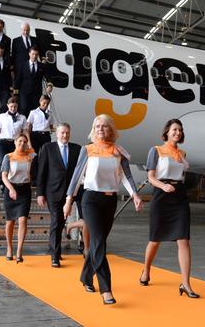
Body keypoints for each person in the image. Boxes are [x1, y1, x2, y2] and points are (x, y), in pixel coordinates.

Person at [64, 114, 144, 305]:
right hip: (90, 199)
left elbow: (126, 175)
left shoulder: (118, 151)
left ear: (111, 130)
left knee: (98, 244)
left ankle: (85, 276)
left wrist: (135, 194)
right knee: (99, 242)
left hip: (110, 200)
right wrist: (69, 200)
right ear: (94, 129)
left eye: (105, 126)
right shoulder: (88, 150)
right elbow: (77, 176)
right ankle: (106, 289)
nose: (101, 129)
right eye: (97, 126)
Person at [139, 119, 199, 298]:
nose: (177, 132)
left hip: (179, 196)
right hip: (162, 194)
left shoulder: (182, 153)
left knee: (184, 240)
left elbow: (182, 176)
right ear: (167, 132)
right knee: (155, 239)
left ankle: (186, 283)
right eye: (174, 129)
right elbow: (150, 177)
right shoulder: (155, 150)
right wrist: (163, 186)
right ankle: (146, 269)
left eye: (180, 130)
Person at [36, 123, 81, 268]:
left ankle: (54, 248)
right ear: (57, 133)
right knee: (56, 221)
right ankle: (54, 256)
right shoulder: (47, 148)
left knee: (61, 221)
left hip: (70, 193)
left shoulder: (76, 149)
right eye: (62, 133)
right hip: (53, 192)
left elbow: (79, 172)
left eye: (67, 133)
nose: (65, 135)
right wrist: (40, 193)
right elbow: (41, 172)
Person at [0, 133, 36, 263]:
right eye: (19, 141)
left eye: (24, 142)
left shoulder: (30, 157)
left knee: (23, 220)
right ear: (15, 142)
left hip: (25, 190)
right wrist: (11, 189)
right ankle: (9, 248)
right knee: (10, 221)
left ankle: (19, 251)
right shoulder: (8, 157)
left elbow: (35, 153)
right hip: (11, 189)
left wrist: (29, 145)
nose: (22, 143)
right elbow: (4, 176)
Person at [0, 97, 28, 168]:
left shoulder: (22, 117)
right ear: (7, 105)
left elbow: (25, 132)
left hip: (15, 143)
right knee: (2, 163)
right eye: (11, 106)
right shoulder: (2, 116)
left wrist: (28, 144)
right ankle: (1, 178)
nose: (13, 108)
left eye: (15, 106)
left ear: (17, 106)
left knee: (14, 164)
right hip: (2, 142)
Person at [15, 47, 46, 116]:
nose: (34, 56)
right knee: (23, 108)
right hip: (24, 92)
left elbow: (48, 77)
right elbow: (18, 79)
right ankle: (23, 125)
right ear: (29, 54)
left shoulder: (42, 66)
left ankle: (31, 126)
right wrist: (15, 93)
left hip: (36, 92)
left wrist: (50, 85)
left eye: (36, 54)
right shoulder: (22, 65)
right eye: (33, 54)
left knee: (35, 111)